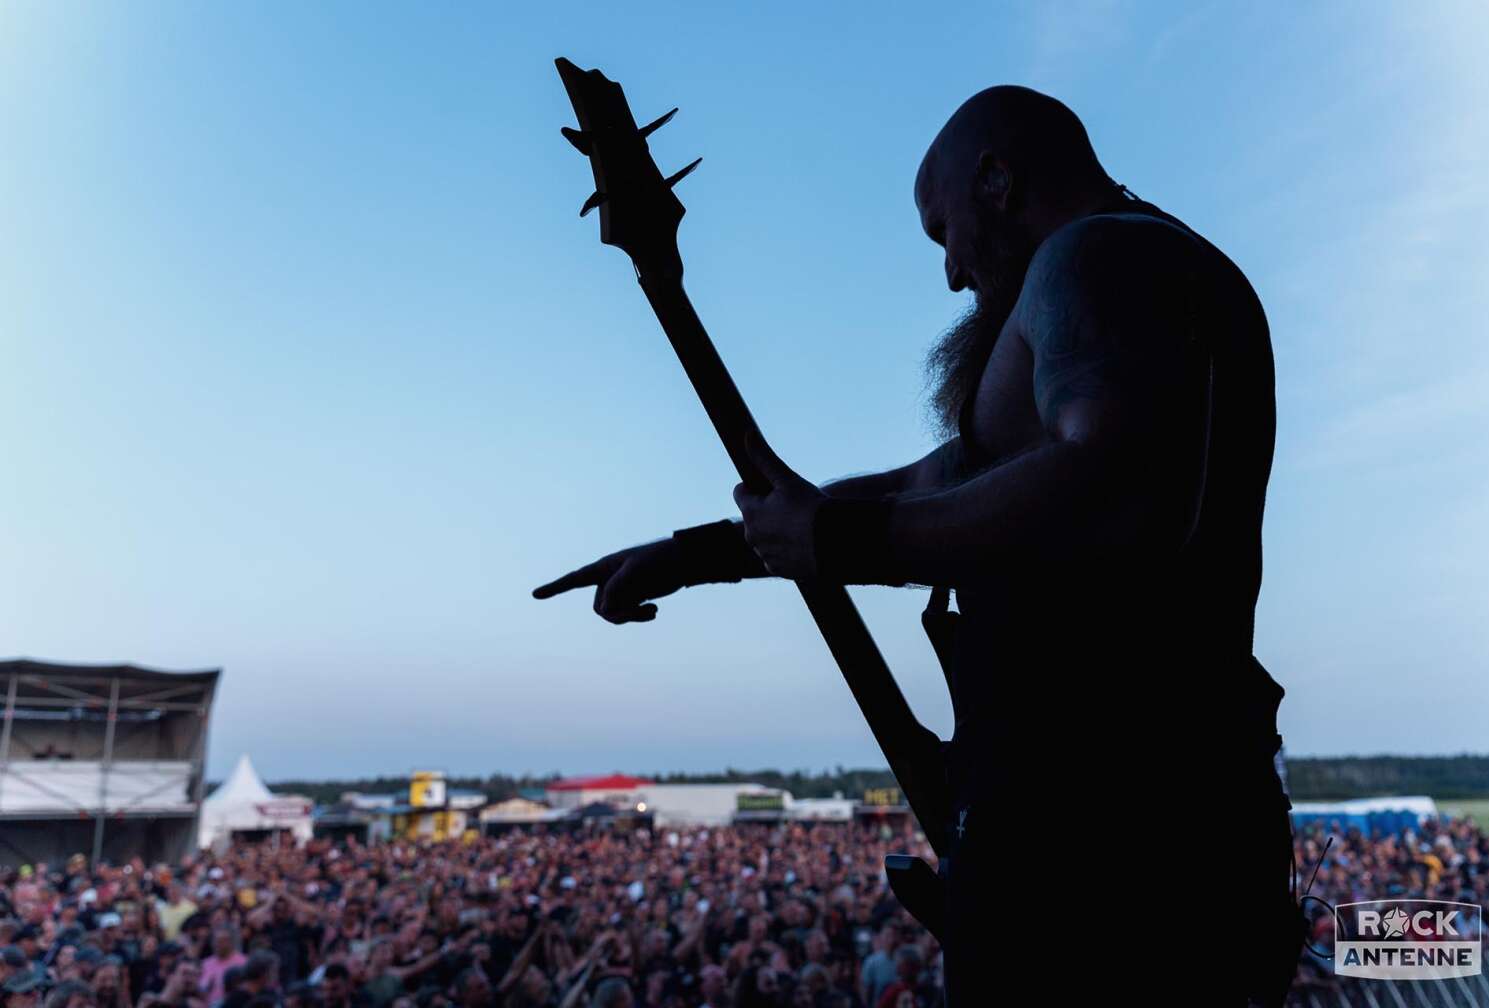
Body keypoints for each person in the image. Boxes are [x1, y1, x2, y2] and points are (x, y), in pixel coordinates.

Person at [533, 84, 1299, 1005]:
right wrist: (705, 552)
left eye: (943, 233)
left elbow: (1100, 477)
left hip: (1104, 815)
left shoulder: (1092, 255)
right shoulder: (1140, 272)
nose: (950, 273)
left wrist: (837, 540)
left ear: (997, 179)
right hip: (1133, 799)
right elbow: (933, 486)